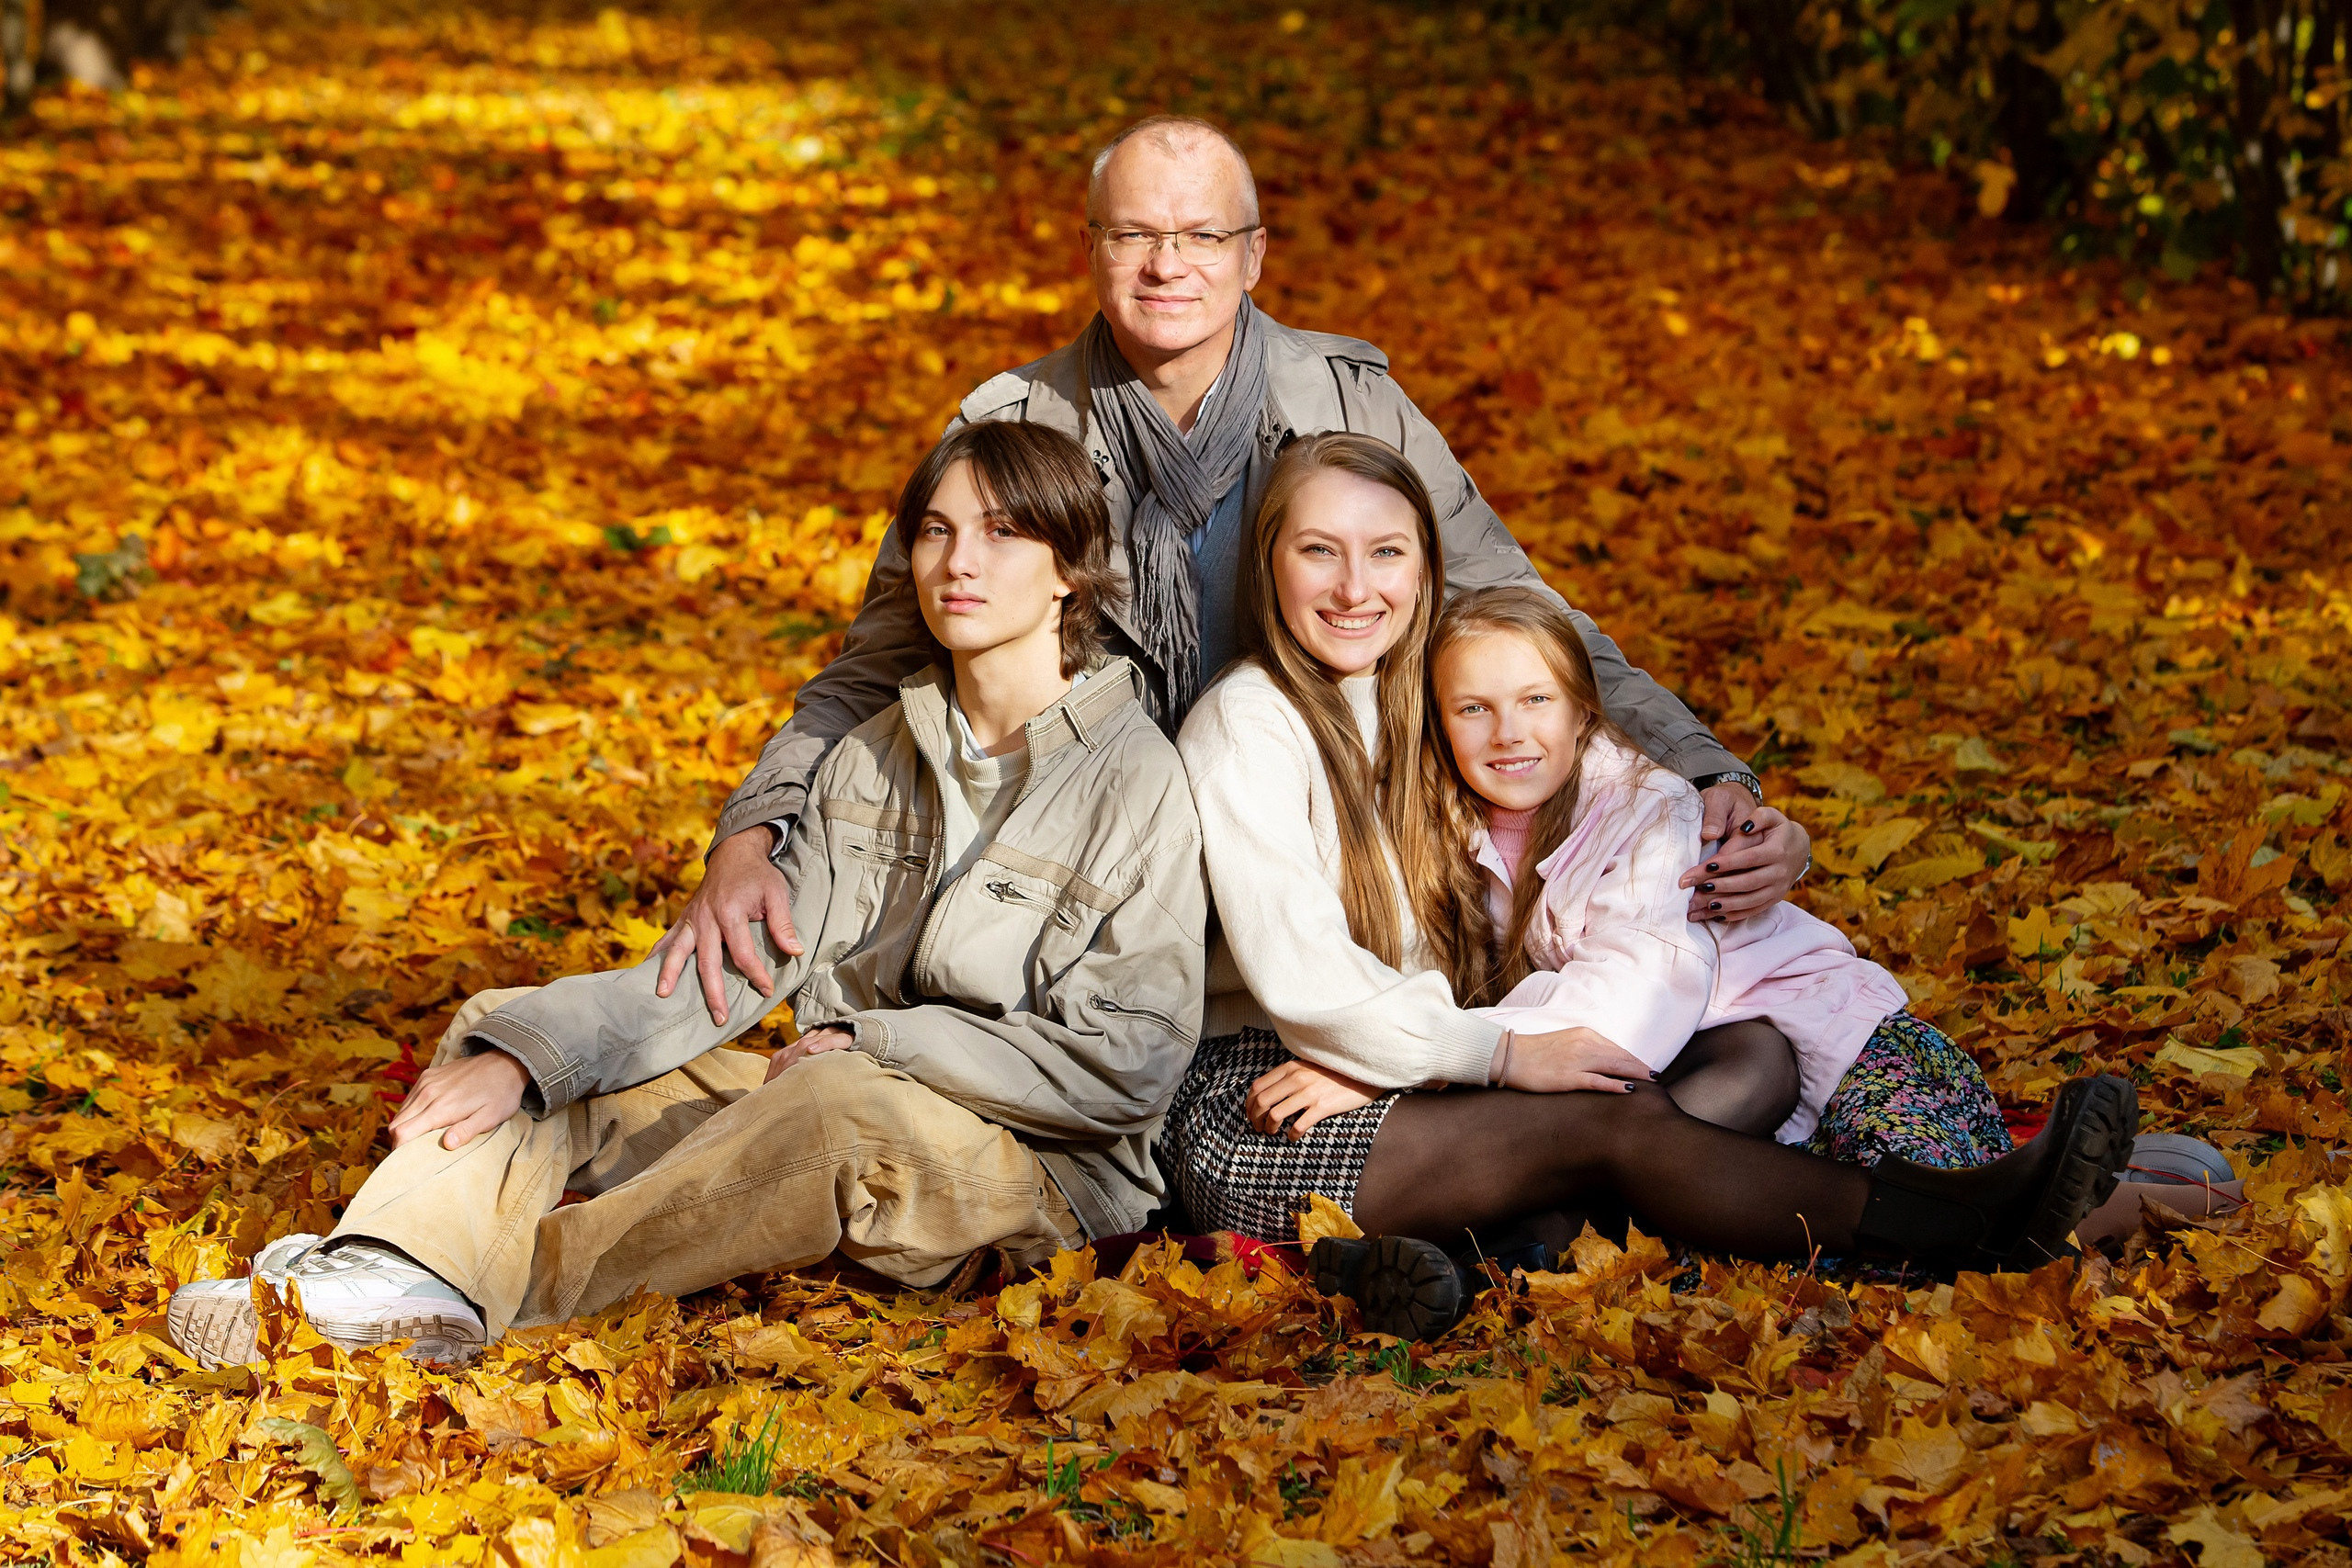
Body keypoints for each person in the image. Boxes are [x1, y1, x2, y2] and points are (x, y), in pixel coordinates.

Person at [650, 113, 1814, 1039]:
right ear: (1093, 246)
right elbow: (873, 670)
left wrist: (1711, 770)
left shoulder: (1353, 408)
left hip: (1331, 856)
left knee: (1694, 951)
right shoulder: (1014, 429)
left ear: (1253, 255)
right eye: (1134, 235)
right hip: (1091, 870)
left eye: (1203, 236)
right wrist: (748, 839)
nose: (1168, 265)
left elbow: (1525, 619)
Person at [164, 423, 1207, 1368]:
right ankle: (393, 1266)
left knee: (834, 1102)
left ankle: (473, 1289)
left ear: (1069, 571)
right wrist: (536, 1057)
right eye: (935, 531)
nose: (959, 562)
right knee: (509, 1036)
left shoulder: (1135, 779)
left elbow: (1127, 1068)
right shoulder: (871, 757)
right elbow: (730, 978)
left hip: (1035, 1180)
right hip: (825, 1093)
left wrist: (885, 1046)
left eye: (1002, 533)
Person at [1159, 432, 2138, 1340]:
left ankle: (1500, 1253)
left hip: (1402, 1065)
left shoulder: (1421, 694)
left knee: (1755, 1053)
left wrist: (1731, 803)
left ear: (1426, 568)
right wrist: (1477, 1056)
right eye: (1318, 552)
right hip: (1273, 1099)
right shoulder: (1248, 726)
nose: (1353, 587)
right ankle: (1960, 1221)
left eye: (1386, 554)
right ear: (1268, 565)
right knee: (1615, 1117)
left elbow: (1586, 753)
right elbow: (1311, 988)